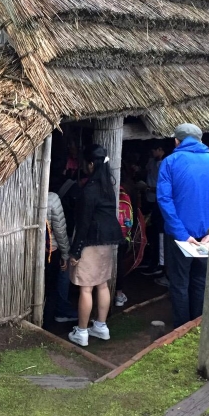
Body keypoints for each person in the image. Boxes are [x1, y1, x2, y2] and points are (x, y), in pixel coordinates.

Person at [157, 124, 209, 329]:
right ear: (200, 140)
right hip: (207, 237)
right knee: (201, 281)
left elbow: (165, 200)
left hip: (179, 237)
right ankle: (199, 326)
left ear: (177, 141)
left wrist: (182, 233)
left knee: (179, 283)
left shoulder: (169, 163)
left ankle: (181, 328)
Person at [68, 144, 124, 346]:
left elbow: (83, 224)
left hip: (90, 242)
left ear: (91, 164)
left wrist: (75, 251)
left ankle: (82, 332)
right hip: (107, 243)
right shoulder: (108, 186)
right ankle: (101, 327)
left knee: (85, 289)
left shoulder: (89, 190)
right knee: (102, 285)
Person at [45, 179, 79, 323]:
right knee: (51, 288)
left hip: (28, 251)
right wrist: (65, 254)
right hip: (50, 252)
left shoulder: (23, 196)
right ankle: (49, 320)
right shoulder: (52, 199)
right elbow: (60, 231)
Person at [144, 145, 167, 283]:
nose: (152, 151)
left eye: (154, 149)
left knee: (160, 235)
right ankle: (153, 261)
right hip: (150, 200)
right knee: (152, 233)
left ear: (161, 149)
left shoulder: (164, 164)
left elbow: (162, 188)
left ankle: (160, 265)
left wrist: (147, 188)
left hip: (159, 201)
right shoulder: (152, 161)